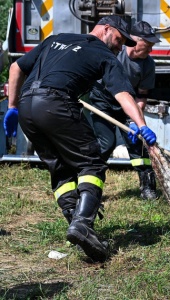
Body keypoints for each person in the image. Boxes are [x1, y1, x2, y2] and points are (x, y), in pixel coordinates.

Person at [2, 15, 157, 262]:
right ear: (106, 29)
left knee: (60, 169)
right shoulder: (105, 55)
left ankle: (79, 225)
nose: (121, 47)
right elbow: (124, 95)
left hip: (27, 109)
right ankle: (82, 224)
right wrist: (141, 125)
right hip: (56, 106)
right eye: (120, 39)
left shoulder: (56, 39)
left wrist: (12, 107)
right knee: (92, 163)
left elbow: (16, 67)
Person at [89, 21, 161, 200]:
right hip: (102, 102)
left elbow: (141, 96)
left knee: (138, 146)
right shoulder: (115, 53)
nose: (151, 50)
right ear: (136, 41)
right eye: (148, 45)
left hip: (127, 107)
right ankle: (90, 188)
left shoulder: (148, 65)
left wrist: (138, 123)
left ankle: (148, 187)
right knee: (106, 143)